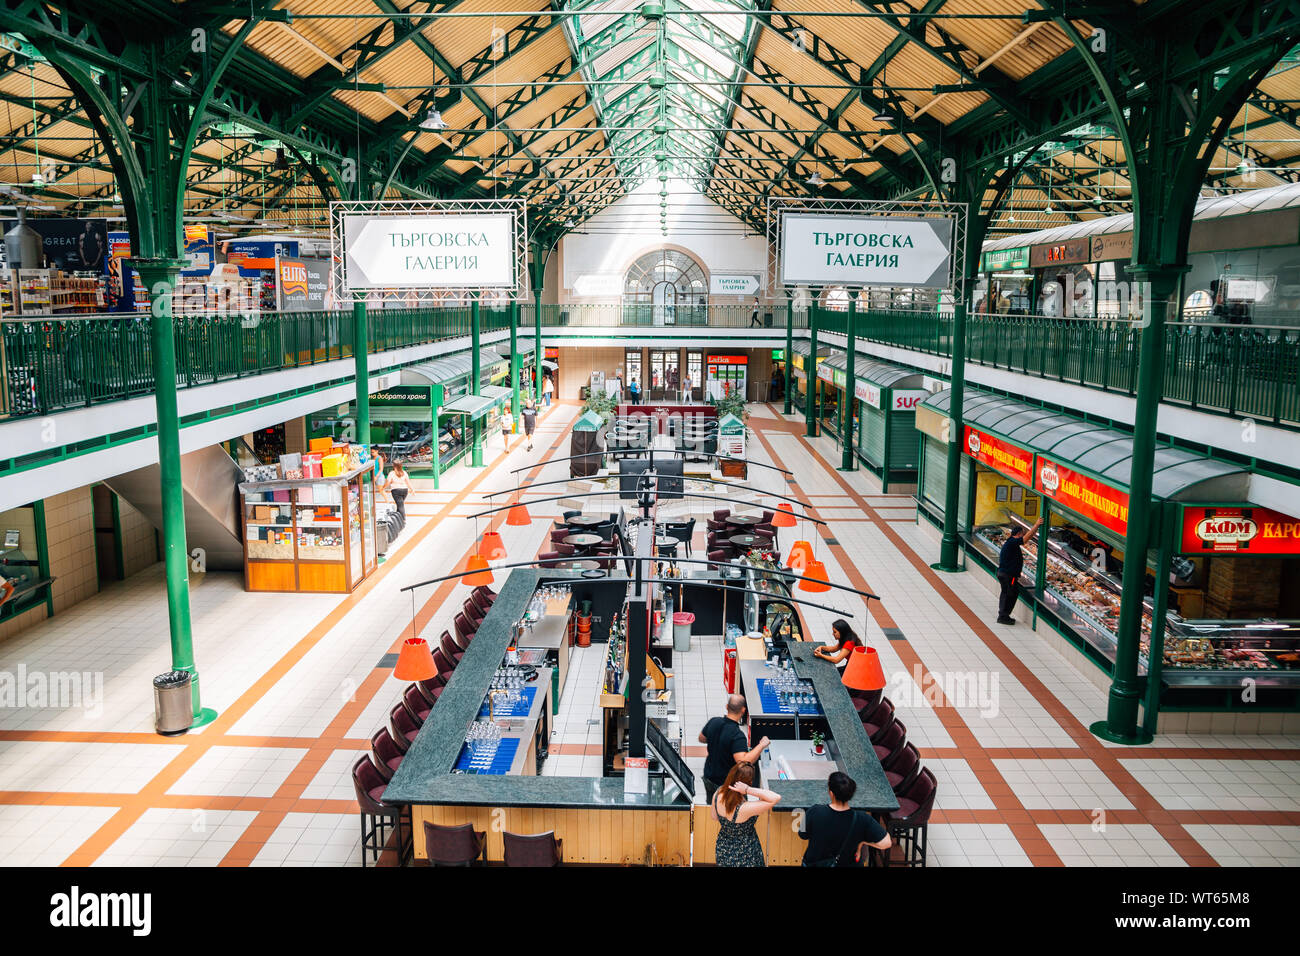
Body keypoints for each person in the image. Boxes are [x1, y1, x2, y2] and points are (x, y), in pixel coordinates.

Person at [798, 772, 892, 867]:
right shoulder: (862, 818)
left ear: (831, 793)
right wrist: (863, 841)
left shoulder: (815, 811)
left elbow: (802, 835)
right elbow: (886, 843)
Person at [699, 694, 769, 803]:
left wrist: (717, 740)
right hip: (726, 784)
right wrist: (761, 745)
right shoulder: (737, 735)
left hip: (709, 777)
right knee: (731, 812)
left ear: (727, 707)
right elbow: (743, 761)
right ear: (743, 710)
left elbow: (702, 738)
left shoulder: (714, 721)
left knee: (712, 806)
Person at [712, 762, 780, 867]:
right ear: (748, 783)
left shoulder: (718, 792)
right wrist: (748, 790)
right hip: (746, 853)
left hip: (723, 848)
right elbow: (775, 798)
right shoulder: (744, 808)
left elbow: (714, 817)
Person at [997, 516, 1042, 624]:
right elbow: (1026, 539)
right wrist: (1036, 525)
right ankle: (1003, 616)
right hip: (1009, 575)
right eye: (1022, 533)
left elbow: (1027, 538)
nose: (1023, 536)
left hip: (1004, 573)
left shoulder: (1010, 542)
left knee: (1007, 593)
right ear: (1018, 534)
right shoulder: (1013, 542)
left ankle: (1003, 615)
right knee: (1010, 594)